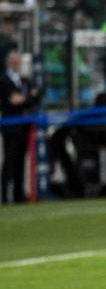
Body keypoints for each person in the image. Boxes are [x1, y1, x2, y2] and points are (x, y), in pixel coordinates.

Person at [0, 52, 40, 204]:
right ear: (10, 63)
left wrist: (25, 98)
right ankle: (5, 197)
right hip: (11, 127)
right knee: (9, 163)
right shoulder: (4, 80)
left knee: (20, 163)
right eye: (17, 62)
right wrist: (29, 97)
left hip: (24, 127)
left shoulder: (24, 80)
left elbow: (35, 96)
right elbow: (13, 101)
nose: (20, 65)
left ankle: (19, 196)